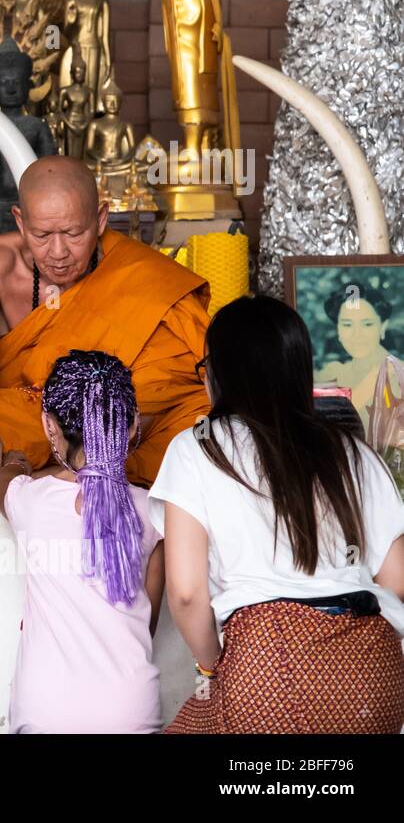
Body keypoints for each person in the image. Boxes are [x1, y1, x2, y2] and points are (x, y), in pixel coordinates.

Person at [150, 296, 404, 733]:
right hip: (374, 670)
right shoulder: (354, 453)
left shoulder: (198, 449)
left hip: (269, 663)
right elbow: (396, 581)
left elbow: (187, 593)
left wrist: (213, 668)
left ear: (220, 374)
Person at [0, 155, 211, 490]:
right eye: (42, 235)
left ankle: (38, 476)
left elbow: (186, 375)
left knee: (206, 423)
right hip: (37, 418)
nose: (59, 251)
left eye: (74, 233)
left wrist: (112, 421)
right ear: (20, 222)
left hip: (123, 416)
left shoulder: (137, 272)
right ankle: (86, 467)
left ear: (101, 219)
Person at [0, 350, 165, 733]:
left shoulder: (30, 502)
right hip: (131, 707)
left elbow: (1, 482)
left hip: (46, 709)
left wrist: (17, 462)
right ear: (134, 425)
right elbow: (146, 622)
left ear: (49, 426)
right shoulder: (153, 513)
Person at [316, 283, 404, 438]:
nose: (357, 334)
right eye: (347, 324)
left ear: (383, 326)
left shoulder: (399, 375)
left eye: (367, 324)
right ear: (338, 330)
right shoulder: (331, 375)